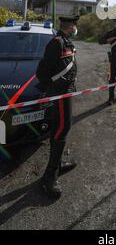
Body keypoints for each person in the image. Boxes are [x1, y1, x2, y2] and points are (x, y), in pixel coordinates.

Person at [36, 15, 79, 198]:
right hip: (60, 94)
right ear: (70, 26)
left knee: (61, 128)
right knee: (62, 128)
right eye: (75, 25)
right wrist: (51, 89)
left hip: (66, 91)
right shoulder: (56, 43)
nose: (77, 28)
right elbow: (42, 72)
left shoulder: (67, 42)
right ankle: (50, 175)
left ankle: (58, 163)